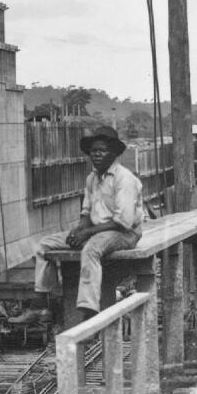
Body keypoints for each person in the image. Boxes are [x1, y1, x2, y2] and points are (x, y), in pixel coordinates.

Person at [33, 125, 145, 325]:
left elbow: (123, 222)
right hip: (98, 230)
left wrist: (88, 234)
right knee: (45, 244)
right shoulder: (92, 178)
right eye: (94, 151)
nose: (97, 155)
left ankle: (89, 308)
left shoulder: (124, 178)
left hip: (124, 233)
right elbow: (86, 212)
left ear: (113, 153)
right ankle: (42, 300)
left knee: (91, 250)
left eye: (102, 150)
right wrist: (79, 230)